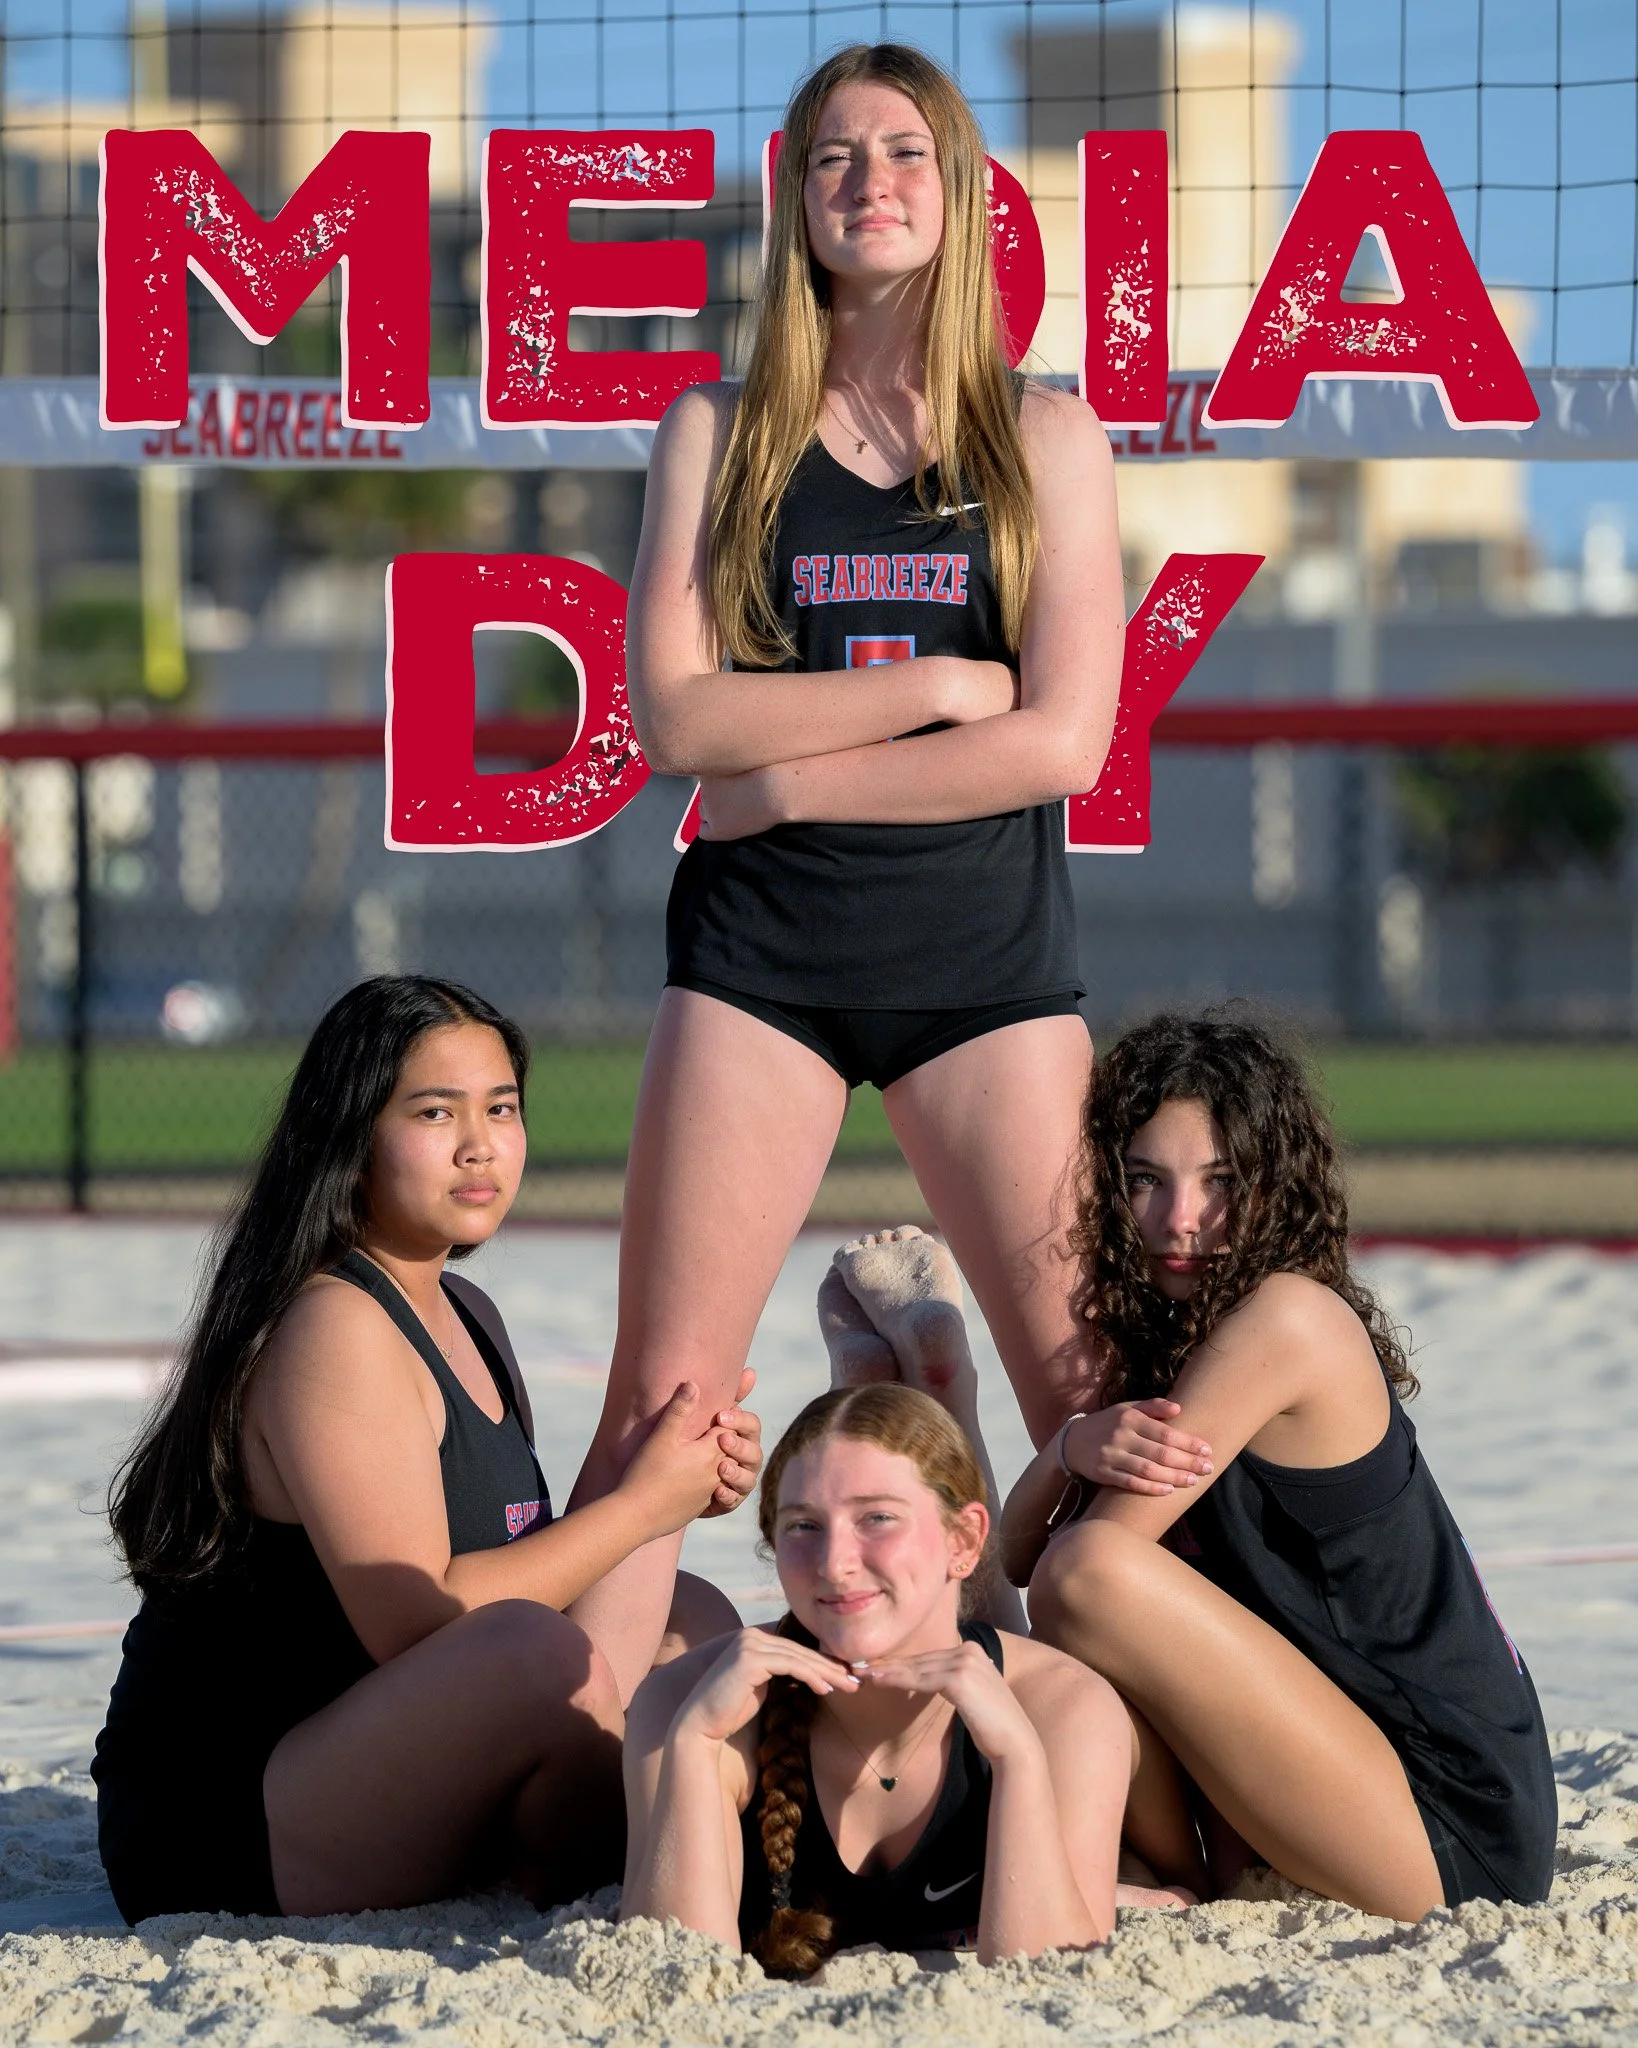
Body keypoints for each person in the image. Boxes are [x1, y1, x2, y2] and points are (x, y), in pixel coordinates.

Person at [570, 37, 1130, 1698]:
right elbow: (672, 714)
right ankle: (571, 1776)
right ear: (795, 202)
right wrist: (933, 688)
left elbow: (1060, 748)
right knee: (665, 1404)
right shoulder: (715, 429)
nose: (867, 181)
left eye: (901, 152)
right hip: (761, 964)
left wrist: (779, 783)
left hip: (985, 963)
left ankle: (1138, 1750)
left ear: (956, 195)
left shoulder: (1043, 436)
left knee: (1090, 1398)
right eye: (833, 158)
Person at [93, 976, 761, 1924]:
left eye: (502, 1108)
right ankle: (644, 1845)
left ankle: (641, 1831)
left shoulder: (468, 1315)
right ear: (352, 1133)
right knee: (539, 1655)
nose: (480, 1144)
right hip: (226, 1821)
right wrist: (643, 1507)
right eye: (435, 1112)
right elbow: (417, 1623)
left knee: (691, 1620)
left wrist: (681, 1483)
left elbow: (527, 1574)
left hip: (381, 1746)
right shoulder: (336, 1325)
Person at [997, 1008, 1558, 1920]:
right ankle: (1178, 1870)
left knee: (1093, 1577)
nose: (1180, 1221)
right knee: (1087, 1595)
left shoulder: (1285, 1318)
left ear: (1273, 1183)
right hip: (1344, 1766)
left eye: (1219, 1181)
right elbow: (1021, 1566)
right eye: (1145, 1180)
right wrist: (1067, 1447)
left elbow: (1074, 1575)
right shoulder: (1179, 1335)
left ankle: (1180, 1878)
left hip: (1450, 1821)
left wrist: (1077, 1461)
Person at [620, 1384, 1185, 1975]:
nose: (835, 1562)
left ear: (963, 1541)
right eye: (803, 1526)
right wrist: (693, 1747)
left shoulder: (1062, 1708)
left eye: (878, 1518)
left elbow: (1050, 1988)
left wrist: (1016, 1758)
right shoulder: (688, 1704)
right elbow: (669, 1982)